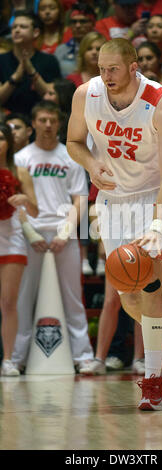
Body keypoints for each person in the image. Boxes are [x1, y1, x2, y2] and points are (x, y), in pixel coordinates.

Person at [66, 38, 162, 411]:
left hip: (154, 197)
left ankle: (152, 381)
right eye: (101, 68)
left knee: (149, 285)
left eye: (113, 68)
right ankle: (160, 345)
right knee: (125, 289)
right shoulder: (87, 94)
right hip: (114, 199)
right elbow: (73, 142)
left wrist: (156, 223)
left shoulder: (161, 103)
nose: (106, 75)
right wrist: (90, 163)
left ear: (134, 66)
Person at [12, 100, 94, 373]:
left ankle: (83, 357)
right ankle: (16, 358)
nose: (48, 125)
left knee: (73, 297)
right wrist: (31, 231)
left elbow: (81, 200)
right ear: (33, 123)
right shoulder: (21, 159)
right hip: (29, 235)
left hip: (63, 234)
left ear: (60, 124)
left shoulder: (70, 156)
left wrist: (65, 232)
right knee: (23, 298)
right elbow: (15, 203)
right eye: (43, 120)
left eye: (53, 121)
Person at [0, 123, 38, 376]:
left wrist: (24, 199)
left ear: (9, 142)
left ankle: (8, 359)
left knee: (9, 302)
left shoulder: (20, 171)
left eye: (1, 137)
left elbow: (35, 210)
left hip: (12, 238)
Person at [0, 10, 61, 115]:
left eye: (23, 27)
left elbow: (52, 97)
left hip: (41, 118)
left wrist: (31, 71)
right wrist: (15, 77)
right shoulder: (1, 60)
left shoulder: (49, 61)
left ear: (36, 32)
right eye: (14, 27)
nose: (17, 30)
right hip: (7, 120)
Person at [54, 4, 96, 78]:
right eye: (74, 22)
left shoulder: (103, 49)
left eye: (83, 21)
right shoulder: (61, 50)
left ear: (93, 24)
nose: (77, 26)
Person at [43, 78, 76, 143]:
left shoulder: (75, 122)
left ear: (63, 96)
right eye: (45, 93)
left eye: (51, 94)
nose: (45, 97)